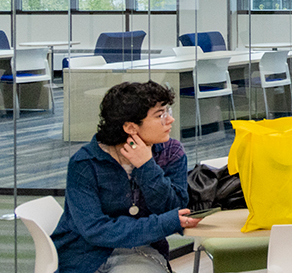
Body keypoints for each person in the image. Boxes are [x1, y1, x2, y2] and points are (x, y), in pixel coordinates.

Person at [52, 81, 200, 273]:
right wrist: (162, 223)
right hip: (83, 255)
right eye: (160, 115)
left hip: (140, 251)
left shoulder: (170, 153)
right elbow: (95, 229)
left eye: (167, 112)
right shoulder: (85, 163)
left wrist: (147, 167)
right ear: (131, 128)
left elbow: (175, 209)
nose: (170, 120)